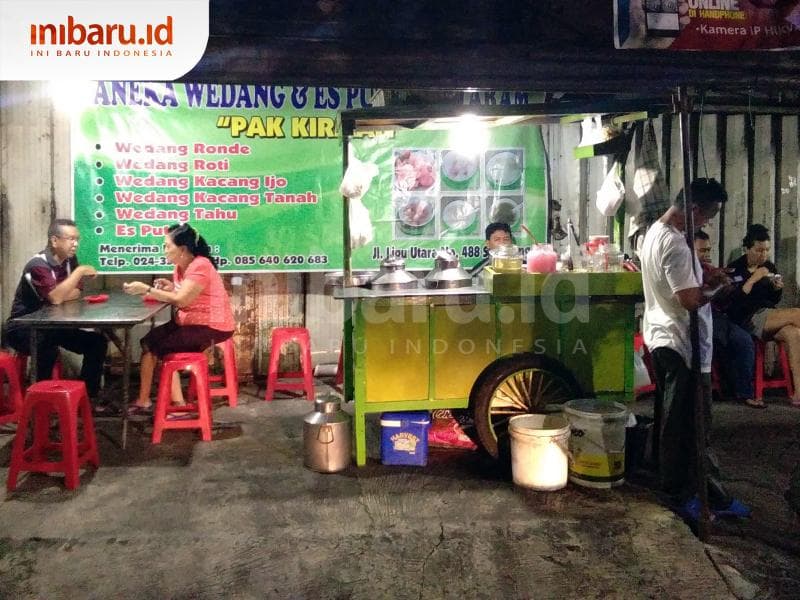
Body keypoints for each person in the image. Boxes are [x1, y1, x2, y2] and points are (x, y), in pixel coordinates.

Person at [640, 178, 749, 520]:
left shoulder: (652, 233)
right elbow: (689, 300)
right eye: (708, 215)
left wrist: (705, 275)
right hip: (681, 344)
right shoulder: (674, 244)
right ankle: (685, 493)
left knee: (678, 420)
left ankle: (704, 491)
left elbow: (682, 284)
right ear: (693, 209)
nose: (707, 223)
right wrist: (715, 288)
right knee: (688, 424)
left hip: (662, 336)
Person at [122, 223, 235, 416]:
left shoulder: (200, 265)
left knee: (163, 348)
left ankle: (179, 406)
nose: (164, 250)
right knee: (148, 342)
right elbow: (185, 294)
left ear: (182, 249)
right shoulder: (180, 267)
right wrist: (169, 288)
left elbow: (182, 299)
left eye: (167, 246)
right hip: (190, 321)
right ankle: (143, 400)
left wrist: (147, 289)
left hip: (212, 325)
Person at [3, 219, 109, 410]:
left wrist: (64, 289)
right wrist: (80, 271)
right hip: (23, 327)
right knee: (47, 346)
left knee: (97, 343)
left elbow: (76, 293)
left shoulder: (69, 262)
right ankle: (41, 403)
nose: (75, 244)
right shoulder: (37, 265)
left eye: (77, 239)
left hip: (52, 325)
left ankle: (85, 399)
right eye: (70, 239)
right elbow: (56, 299)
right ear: (54, 241)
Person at [724, 224, 800, 406]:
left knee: (794, 333)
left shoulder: (769, 266)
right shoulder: (735, 269)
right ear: (747, 249)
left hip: (768, 317)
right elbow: (736, 303)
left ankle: (798, 393)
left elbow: (773, 300)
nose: (763, 255)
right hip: (748, 318)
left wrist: (776, 288)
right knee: (797, 314)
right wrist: (754, 278)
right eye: (758, 250)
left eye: (766, 250)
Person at [693, 230, 757, 408]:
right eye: (702, 250)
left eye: (708, 250)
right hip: (696, 318)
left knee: (743, 340)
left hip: (718, 317)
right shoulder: (685, 270)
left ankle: (744, 393)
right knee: (721, 339)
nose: (706, 254)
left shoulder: (712, 270)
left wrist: (727, 287)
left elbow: (724, 299)